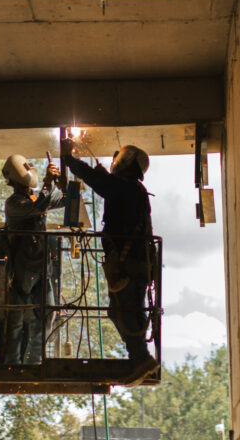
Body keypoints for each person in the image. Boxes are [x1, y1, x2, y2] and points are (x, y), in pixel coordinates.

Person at [60, 139, 160, 385]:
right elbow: (108, 185)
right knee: (119, 311)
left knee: (125, 309)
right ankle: (139, 357)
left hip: (128, 263)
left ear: (125, 162)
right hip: (134, 262)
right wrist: (100, 173)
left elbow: (102, 184)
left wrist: (69, 159)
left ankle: (140, 358)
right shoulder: (131, 189)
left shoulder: (126, 188)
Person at [2, 154, 64, 365]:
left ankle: (34, 361)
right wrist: (49, 183)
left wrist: (63, 183)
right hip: (23, 267)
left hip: (41, 266)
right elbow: (40, 206)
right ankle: (12, 363)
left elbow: (59, 200)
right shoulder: (14, 203)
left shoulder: (35, 198)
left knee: (48, 313)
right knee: (18, 319)